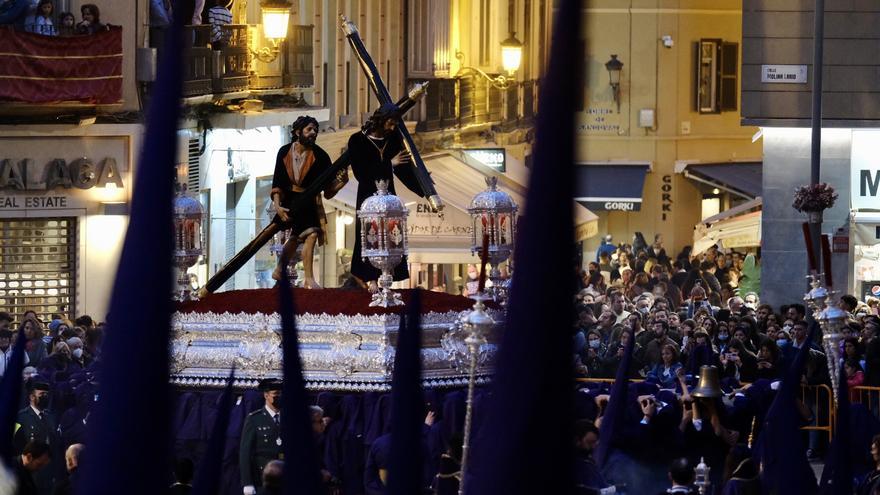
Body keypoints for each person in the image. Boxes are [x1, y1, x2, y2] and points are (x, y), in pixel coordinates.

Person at [347, 103, 425, 288]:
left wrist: (424, 189)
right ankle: (369, 277)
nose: (392, 127)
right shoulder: (357, 140)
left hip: (388, 196)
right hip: (367, 197)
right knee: (368, 235)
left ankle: (387, 273)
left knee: (390, 235)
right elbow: (361, 173)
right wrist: (389, 164)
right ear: (380, 120)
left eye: (394, 124)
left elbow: (405, 169)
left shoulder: (393, 139)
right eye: (390, 123)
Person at [269, 115, 341, 288]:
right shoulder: (284, 152)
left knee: (310, 234)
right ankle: (294, 274)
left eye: (315, 130)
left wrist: (342, 182)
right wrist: (277, 206)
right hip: (291, 201)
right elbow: (277, 181)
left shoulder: (321, 156)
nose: (313, 133)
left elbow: (329, 191)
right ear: (297, 131)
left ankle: (297, 275)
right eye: (309, 129)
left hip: (309, 202)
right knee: (296, 237)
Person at [240, 379, 283, 495]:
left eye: (282, 394)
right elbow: (245, 452)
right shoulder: (254, 419)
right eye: (276, 394)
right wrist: (247, 482)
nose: (280, 397)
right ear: (266, 395)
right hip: (262, 479)